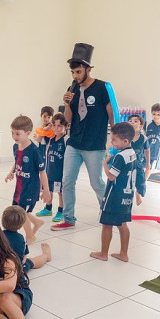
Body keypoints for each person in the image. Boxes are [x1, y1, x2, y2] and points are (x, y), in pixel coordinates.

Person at [52, 43, 114, 231]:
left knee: (96, 183)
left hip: (94, 145)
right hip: (74, 143)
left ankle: (109, 212)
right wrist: (67, 104)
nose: (75, 76)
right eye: (73, 72)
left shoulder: (102, 88)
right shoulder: (72, 89)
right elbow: (69, 119)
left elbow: (112, 115)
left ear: (88, 69)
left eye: (78, 72)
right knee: (67, 181)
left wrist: (114, 141)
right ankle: (68, 218)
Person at [90, 123, 136, 262]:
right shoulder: (132, 153)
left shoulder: (120, 157)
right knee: (122, 224)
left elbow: (111, 176)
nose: (112, 142)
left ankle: (103, 253)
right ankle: (124, 253)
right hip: (126, 197)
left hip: (114, 196)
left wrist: (105, 164)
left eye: (114, 140)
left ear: (125, 141)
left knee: (107, 224)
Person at [5, 115, 51, 243]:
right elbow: (17, 161)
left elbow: (42, 172)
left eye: (17, 134)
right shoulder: (16, 146)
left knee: (21, 212)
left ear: (28, 133)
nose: (14, 136)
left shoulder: (34, 151)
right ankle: (37, 222)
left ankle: (30, 236)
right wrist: (11, 172)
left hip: (31, 188)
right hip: (20, 187)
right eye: (12, 133)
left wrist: (46, 190)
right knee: (18, 209)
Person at [0, 205, 52, 274]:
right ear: (21, 225)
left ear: (2, 221)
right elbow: (23, 259)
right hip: (16, 270)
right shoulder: (22, 239)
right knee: (31, 261)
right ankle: (46, 256)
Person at [36, 113, 68, 222]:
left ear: (65, 127)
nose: (56, 128)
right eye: (54, 125)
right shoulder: (50, 138)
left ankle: (61, 211)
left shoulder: (66, 140)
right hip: (50, 170)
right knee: (49, 189)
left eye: (60, 126)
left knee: (60, 192)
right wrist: (47, 128)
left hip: (61, 172)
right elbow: (39, 138)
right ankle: (48, 208)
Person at [128, 114, 150, 206]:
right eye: (130, 121)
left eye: (135, 121)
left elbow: (147, 150)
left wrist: (148, 164)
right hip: (127, 165)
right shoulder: (126, 137)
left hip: (138, 165)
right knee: (128, 184)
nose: (132, 122)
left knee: (141, 183)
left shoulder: (144, 138)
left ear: (141, 126)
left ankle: (138, 193)